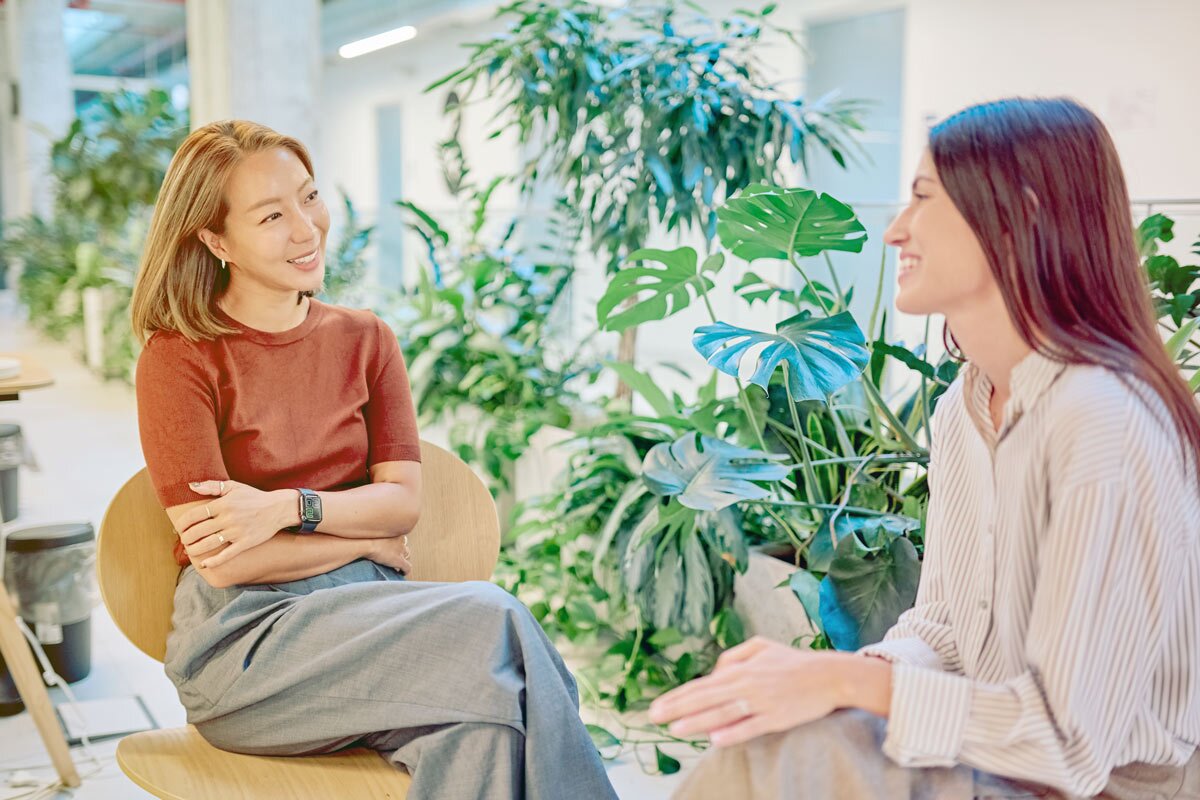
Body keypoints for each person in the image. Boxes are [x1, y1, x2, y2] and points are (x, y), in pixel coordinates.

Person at [650, 97, 1200, 799]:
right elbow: (943, 628)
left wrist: (845, 678)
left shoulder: (1102, 421)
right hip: (998, 759)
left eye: (922, 198)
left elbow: (1066, 747)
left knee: (790, 759)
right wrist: (844, 678)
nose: (895, 230)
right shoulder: (963, 408)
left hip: (1103, 787)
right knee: (781, 740)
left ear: (1016, 218)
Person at [129, 119, 618, 800]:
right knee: (492, 615)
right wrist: (367, 536)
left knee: (486, 732)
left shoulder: (365, 338)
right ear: (216, 240)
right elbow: (227, 560)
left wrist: (287, 510)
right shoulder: (178, 356)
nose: (306, 229)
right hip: (247, 649)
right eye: (272, 215)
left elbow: (404, 507)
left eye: (309, 197)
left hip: (375, 623)